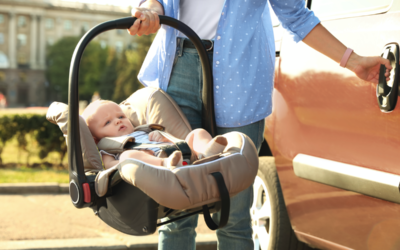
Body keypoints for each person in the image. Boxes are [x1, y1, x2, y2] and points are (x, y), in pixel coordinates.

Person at [127, 1, 392, 249]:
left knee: (235, 217)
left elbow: (297, 15)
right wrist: (149, 10)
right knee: (175, 215)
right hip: (178, 68)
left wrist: (353, 60)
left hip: (240, 75)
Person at [82, 100, 228, 169]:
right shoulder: (107, 148)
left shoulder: (143, 131)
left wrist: (166, 137)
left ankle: (205, 154)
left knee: (197, 133)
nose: (117, 122)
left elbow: (178, 142)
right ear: (96, 139)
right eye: (107, 123)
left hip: (181, 154)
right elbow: (109, 166)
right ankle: (166, 163)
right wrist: (135, 159)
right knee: (128, 156)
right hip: (158, 166)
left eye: (120, 117)